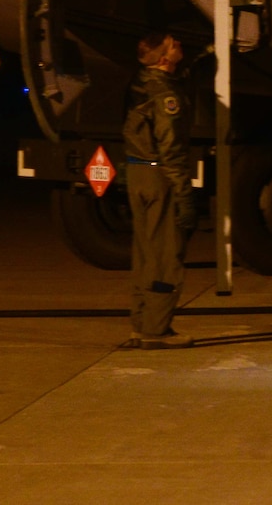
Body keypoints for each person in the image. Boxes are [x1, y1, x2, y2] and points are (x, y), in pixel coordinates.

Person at [123, 30, 197, 348]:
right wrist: (183, 193)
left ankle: (141, 323)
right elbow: (171, 148)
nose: (180, 43)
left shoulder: (140, 83)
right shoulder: (166, 95)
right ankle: (157, 330)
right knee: (166, 254)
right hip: (159, 176)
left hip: (136, 172)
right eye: (174, 44)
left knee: (144, 253)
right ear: (165, 58)